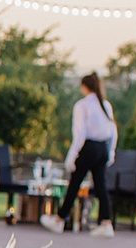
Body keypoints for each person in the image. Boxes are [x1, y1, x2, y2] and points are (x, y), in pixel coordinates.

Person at [45, 72, 117, 236]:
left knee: (75, 183)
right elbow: (113, 132)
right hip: (102, 148)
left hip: (89, 147)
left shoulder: (82, 105)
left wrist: (72, 155)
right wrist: (110, 151)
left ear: (84, 87)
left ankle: (60, 219)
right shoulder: (105, 105)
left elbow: (80, 134)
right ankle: (106, 222)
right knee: (101, 185)